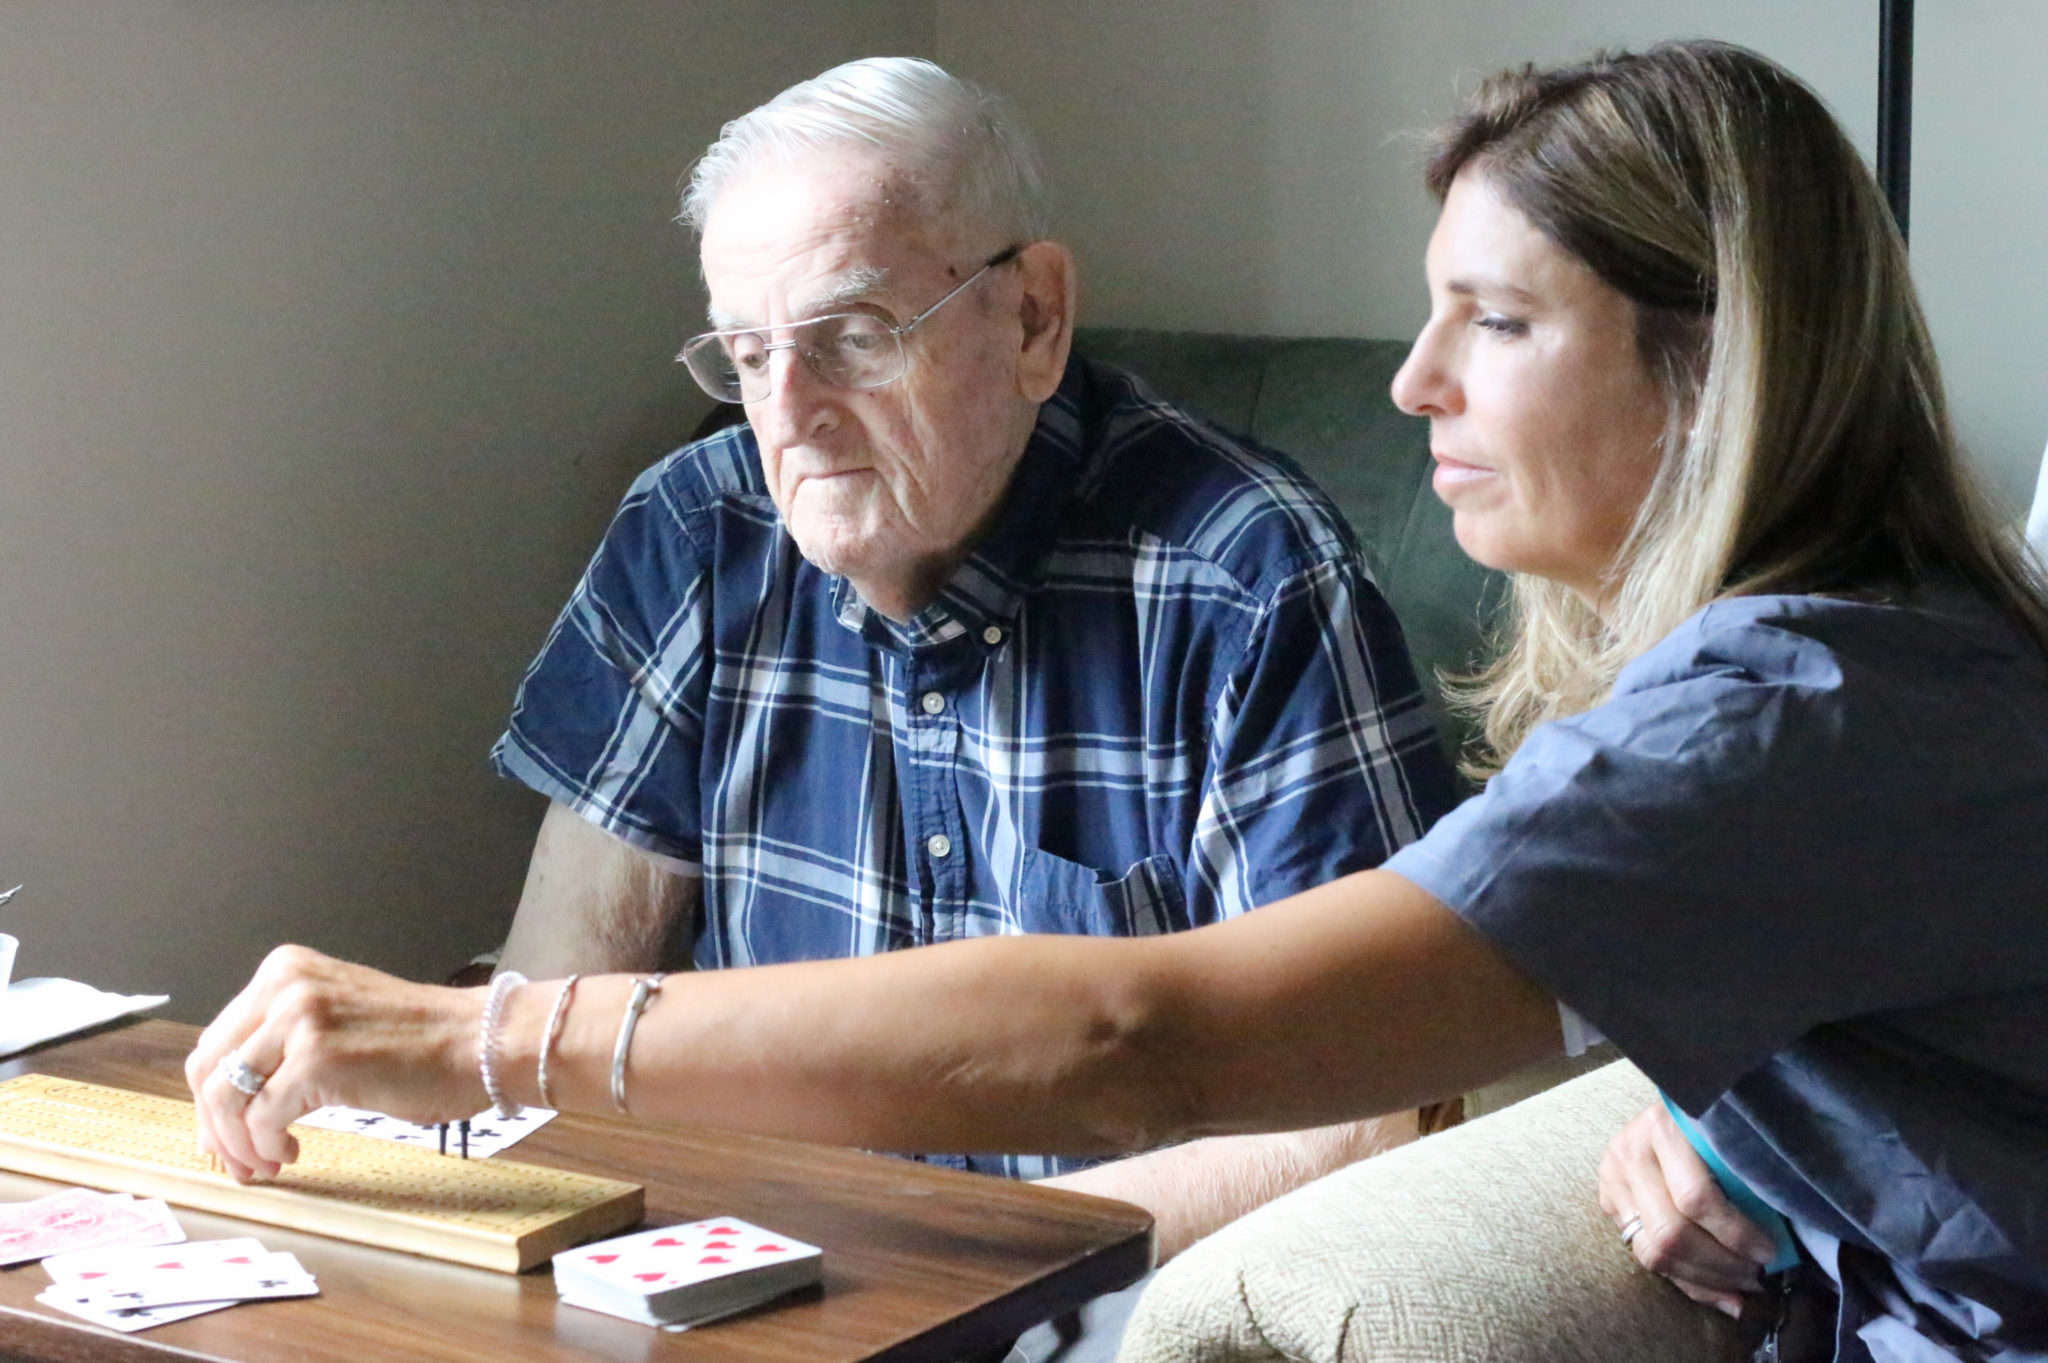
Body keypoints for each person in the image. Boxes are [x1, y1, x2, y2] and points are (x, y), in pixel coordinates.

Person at [190, 41, 2048, 1363]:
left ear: (1714, 356)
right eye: (750, 352)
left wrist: (493, 1041)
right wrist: (1725, 1110)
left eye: (1496, 320)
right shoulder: (1871, 664)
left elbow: (1142, 1041)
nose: (1412, 386)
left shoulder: (1774, 714)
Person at [478, 55, 1456, 1358]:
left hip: (1114, 1299)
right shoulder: (692, 531)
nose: (790, 417)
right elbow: (561, 1003)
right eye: (749, 353)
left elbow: (1372, 1108)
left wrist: (928, 1286)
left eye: (853, 337)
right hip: (749, 1289)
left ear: (1036, 316)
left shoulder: (1248, 582)